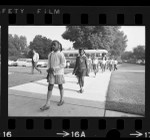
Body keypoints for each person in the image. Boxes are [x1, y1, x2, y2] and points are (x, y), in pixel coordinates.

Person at [40, 40, 66, 111]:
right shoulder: (50, 54)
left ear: (59, 46)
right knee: (50, 86)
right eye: (52, 45)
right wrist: (48, 69)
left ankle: (62, 99)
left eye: (54, 44)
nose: (53, 46)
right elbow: (48, 64)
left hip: (59, 73)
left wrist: (54, 68)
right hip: (51, 73)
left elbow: (64, 64)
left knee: (60, 86)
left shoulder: (61, 54)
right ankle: (47, 104)